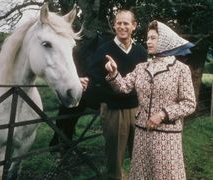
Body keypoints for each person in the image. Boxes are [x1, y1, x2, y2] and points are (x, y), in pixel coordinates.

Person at [104, 20, 196, 179]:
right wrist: (114, 73)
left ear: (165, 41)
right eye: (148, 38)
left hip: (167, 136)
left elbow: (189, 104)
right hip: (142, 133)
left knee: (165, 175)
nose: (148, 41)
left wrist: (162, 114)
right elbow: (123, 87)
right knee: (142, 174)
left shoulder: (181, 69)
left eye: (153, 38)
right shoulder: (142, 67)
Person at [84, 10, 148, 180]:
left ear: (134, 26)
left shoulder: (141, 52)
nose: (122, 27)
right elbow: (92, 77)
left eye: (126, 23)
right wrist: (85, 81)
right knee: (114, 158)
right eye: (119, 23)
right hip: (113, 111)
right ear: (114, 25)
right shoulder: (104, 50)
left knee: (140, 155)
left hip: (137, 109)